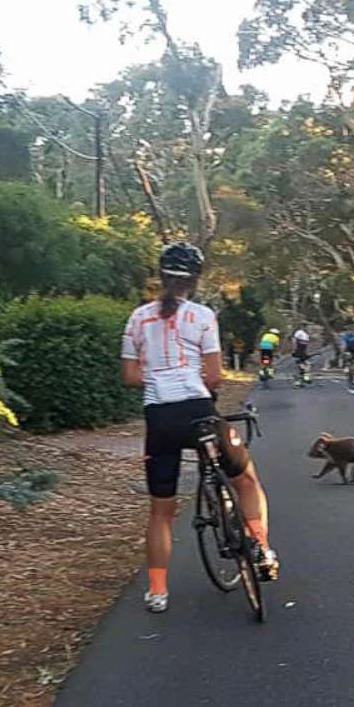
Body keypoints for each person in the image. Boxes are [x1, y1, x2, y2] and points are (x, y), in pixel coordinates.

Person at [121, 241, 279, 613]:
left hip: (159, 419)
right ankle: (262, 548)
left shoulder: (137, 318)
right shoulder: (203, 316)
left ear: (161, 276)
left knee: (161, 511)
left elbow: (129, 376)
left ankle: (157, 591)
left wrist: (159, 375)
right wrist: (188, 377)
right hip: (199, 413)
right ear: (195, 279)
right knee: (245, 478)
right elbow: (214, 378)